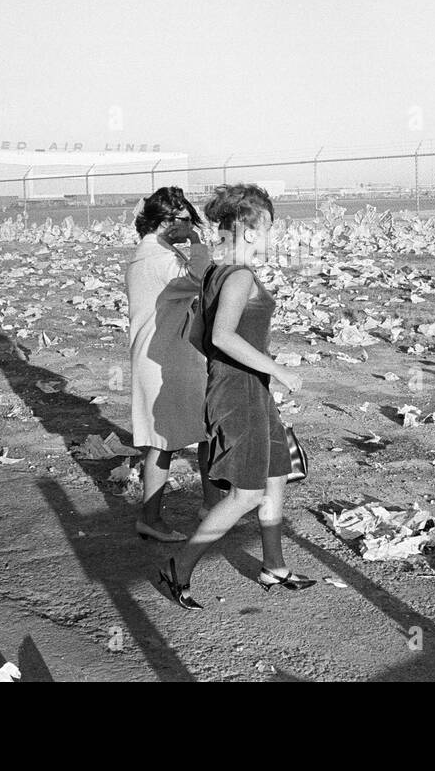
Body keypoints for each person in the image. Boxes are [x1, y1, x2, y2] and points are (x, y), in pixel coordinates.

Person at [158, 183, 315, 610]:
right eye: (267, 228)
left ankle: (274, 565)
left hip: (248, 388)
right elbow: (220, 335)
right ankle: (179, 566)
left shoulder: (216, 272)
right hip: (238, 392)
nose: (270, 237)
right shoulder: (239, 275)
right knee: (246, 493)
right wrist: (276, 368)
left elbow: (199, 333)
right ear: (249, 228)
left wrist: (253, 367)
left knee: (277, 472)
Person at [126, 187, 220, 542]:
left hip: (167, 353)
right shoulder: (159, 258)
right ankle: (152, 517)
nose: (189, 226)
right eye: (185, 220)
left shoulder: (153, 252)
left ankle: (210, 504)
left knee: (195, 431)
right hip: (164, 357)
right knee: (165, 440)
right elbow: (202, 279)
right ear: (166, 221)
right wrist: (197, 241)